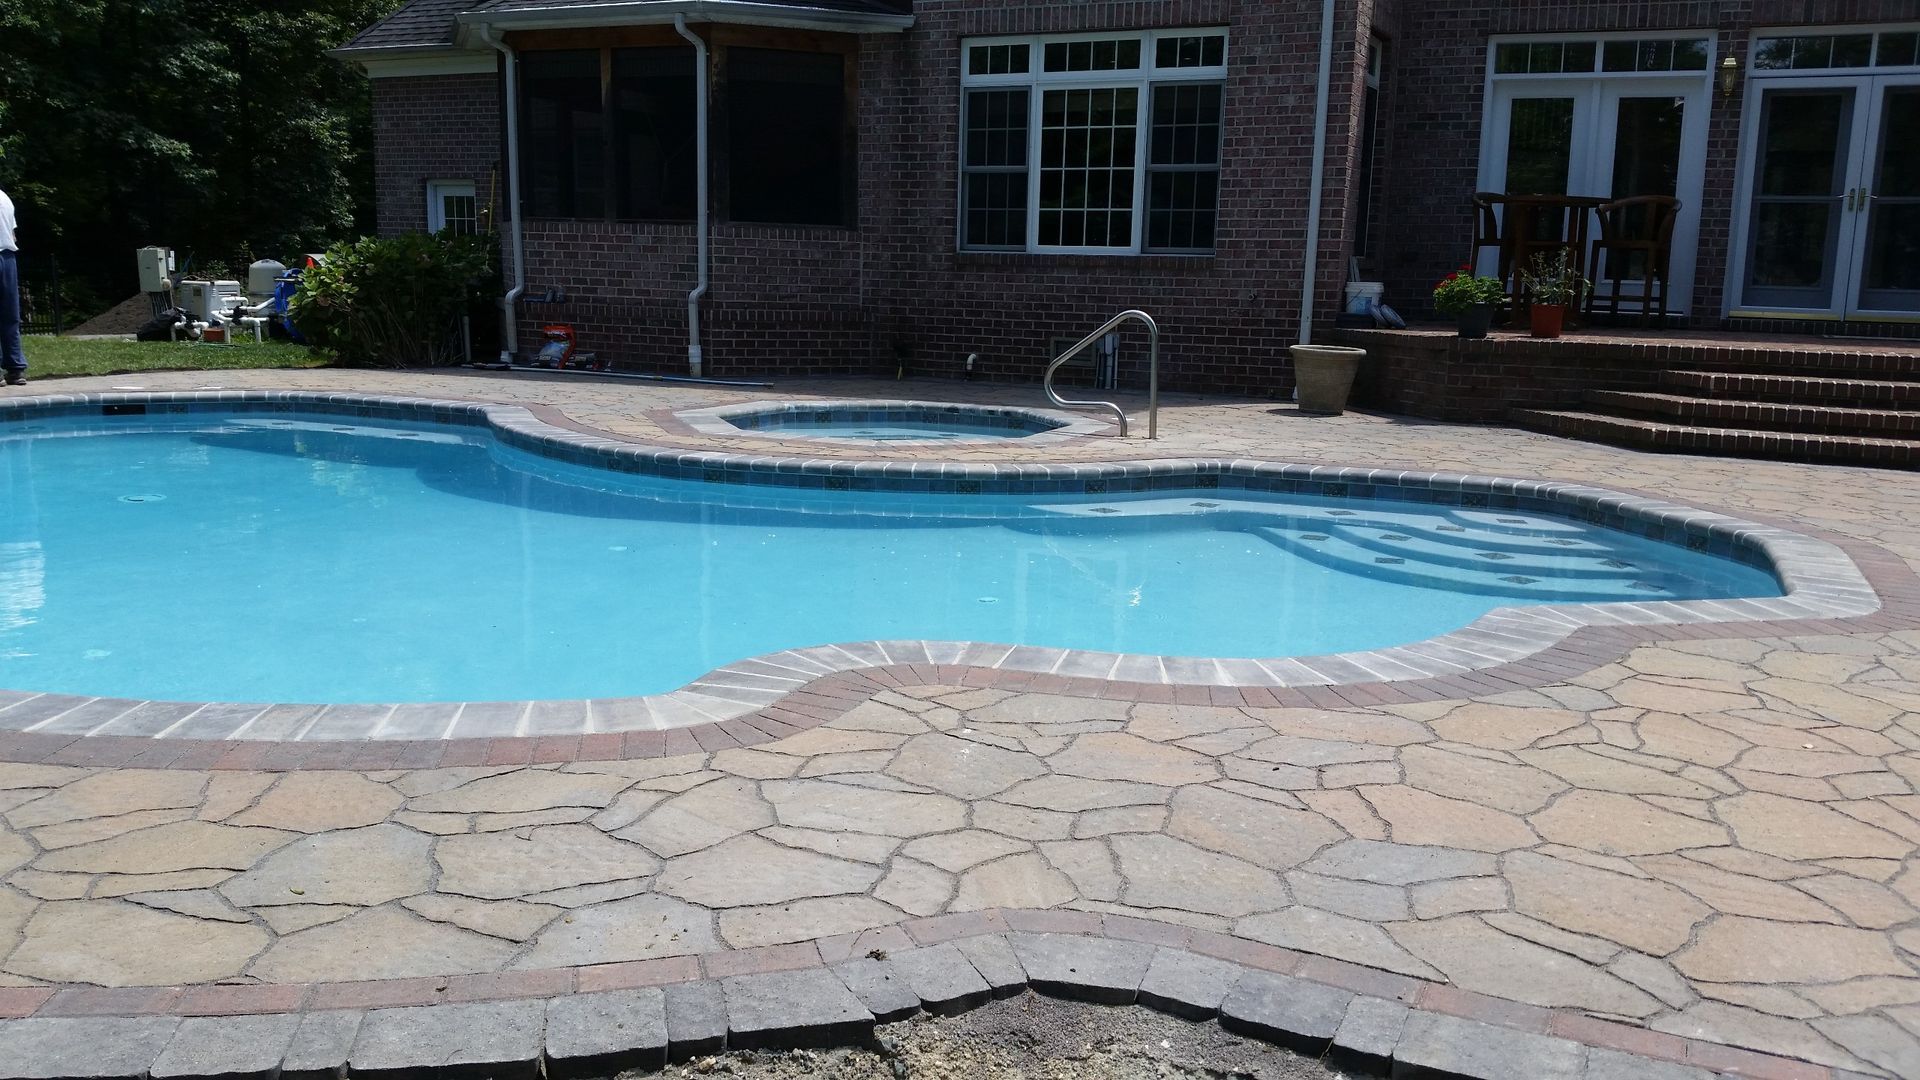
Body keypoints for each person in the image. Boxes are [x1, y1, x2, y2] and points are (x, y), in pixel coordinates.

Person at [0, 186, 23, 384]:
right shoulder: (5, 198)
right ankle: (15, 369)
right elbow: (13, 235)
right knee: (9, 316)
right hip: (8, 259)